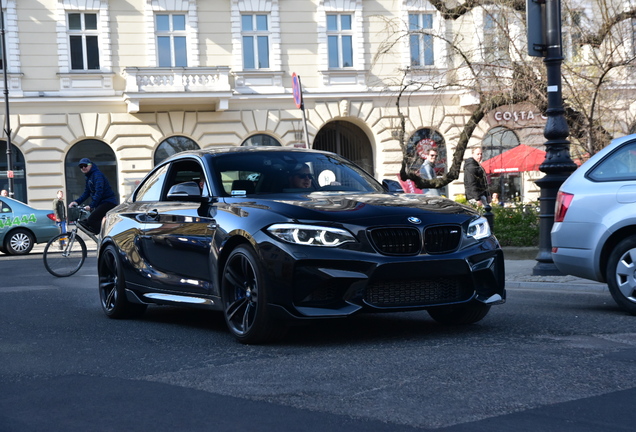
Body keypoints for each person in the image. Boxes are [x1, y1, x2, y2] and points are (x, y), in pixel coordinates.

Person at [69, 158, 119, 234]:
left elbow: (99, 192)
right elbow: (86, 193)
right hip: (101, 203)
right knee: (88, 221)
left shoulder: (97, 175)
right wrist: (76, 202)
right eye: (81, 166)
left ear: (90, 165)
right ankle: (103, 236)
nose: (83, 168)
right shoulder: (89, 177)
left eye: (85, 165)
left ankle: (108, 236)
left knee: (92, 220)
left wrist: (91, 206)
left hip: (108, 202)